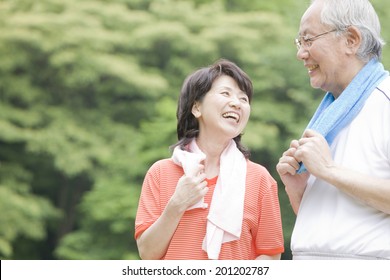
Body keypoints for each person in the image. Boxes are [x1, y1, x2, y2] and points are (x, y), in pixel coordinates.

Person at [135, 59, 284, 260]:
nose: (236, 103)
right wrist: (176, 205)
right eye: (225, 93)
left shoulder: (259, 179)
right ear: (196, 107)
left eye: (244, 99)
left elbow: (270, 255)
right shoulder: (161, 173)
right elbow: (147, 254)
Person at [276, 0, 390, 260]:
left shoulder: (385, 100)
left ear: (351, 39)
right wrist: (298, 190)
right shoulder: (329, 114)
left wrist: (328, 170)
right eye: (300, 43)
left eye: (308, 40)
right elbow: (336, 220)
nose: (301, 53)